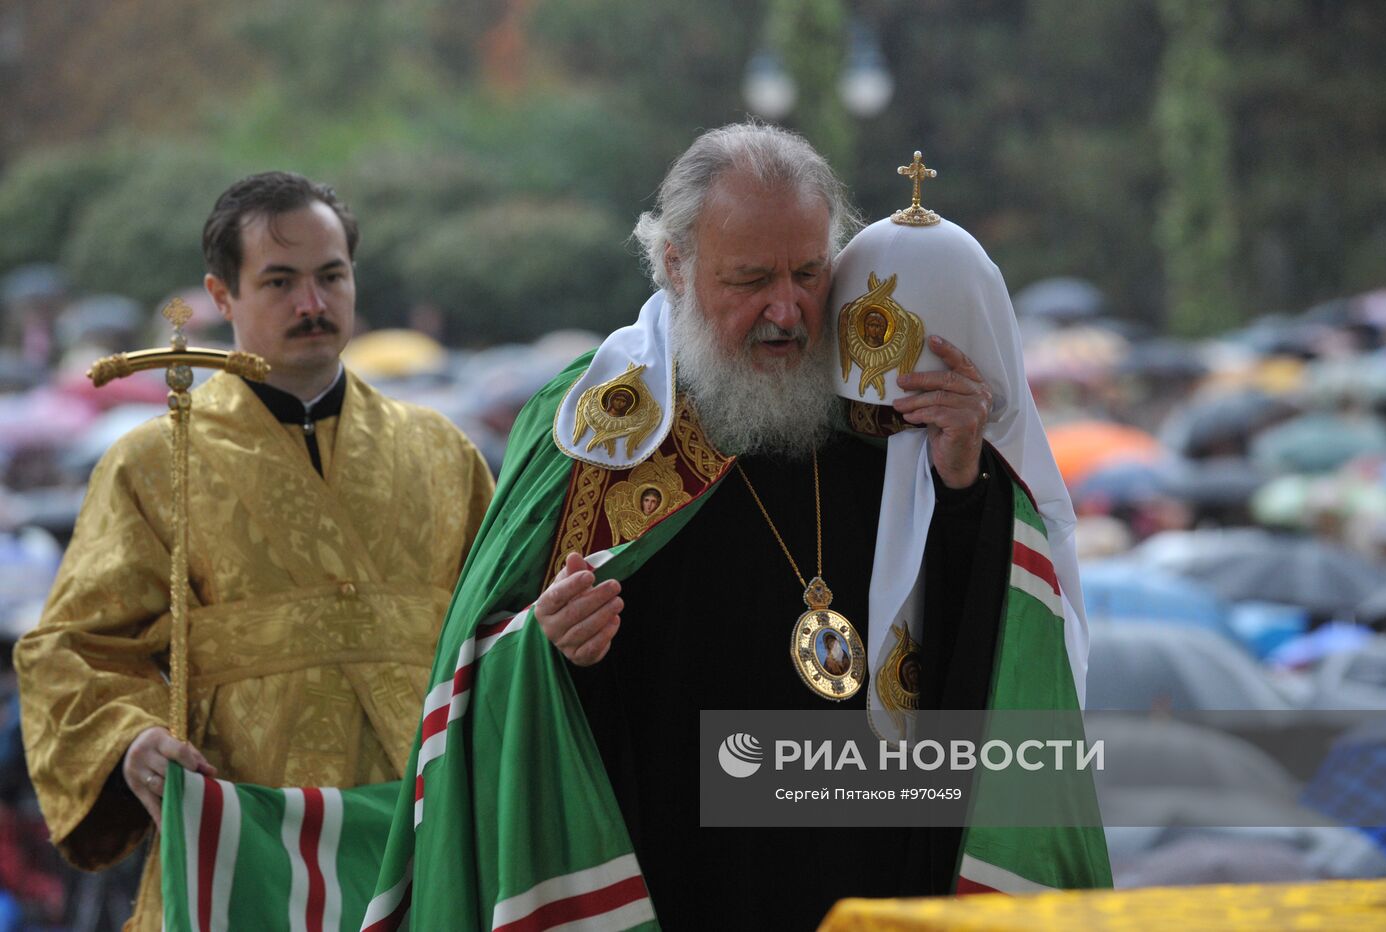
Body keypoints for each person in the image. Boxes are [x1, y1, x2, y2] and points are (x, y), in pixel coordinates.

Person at [363, 125, 1106, 931]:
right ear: (675, 266)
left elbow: (982, 652)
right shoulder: (591, 428)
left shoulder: (885, 417)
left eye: (809, 273)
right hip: (677, 872)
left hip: (872, 870)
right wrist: (550, 648)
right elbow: (482, 669)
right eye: (750, 279)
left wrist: (965, 483)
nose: (786, 310)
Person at [14, 171, 495, 930]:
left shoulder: (441, 452)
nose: (313, 304)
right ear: (223, 294)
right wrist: (130, 738)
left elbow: (496, 626)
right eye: (280, 282)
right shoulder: (153, 462)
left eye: (331, 276)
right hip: (244, 841)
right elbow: (72, 649)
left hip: (420, 830)